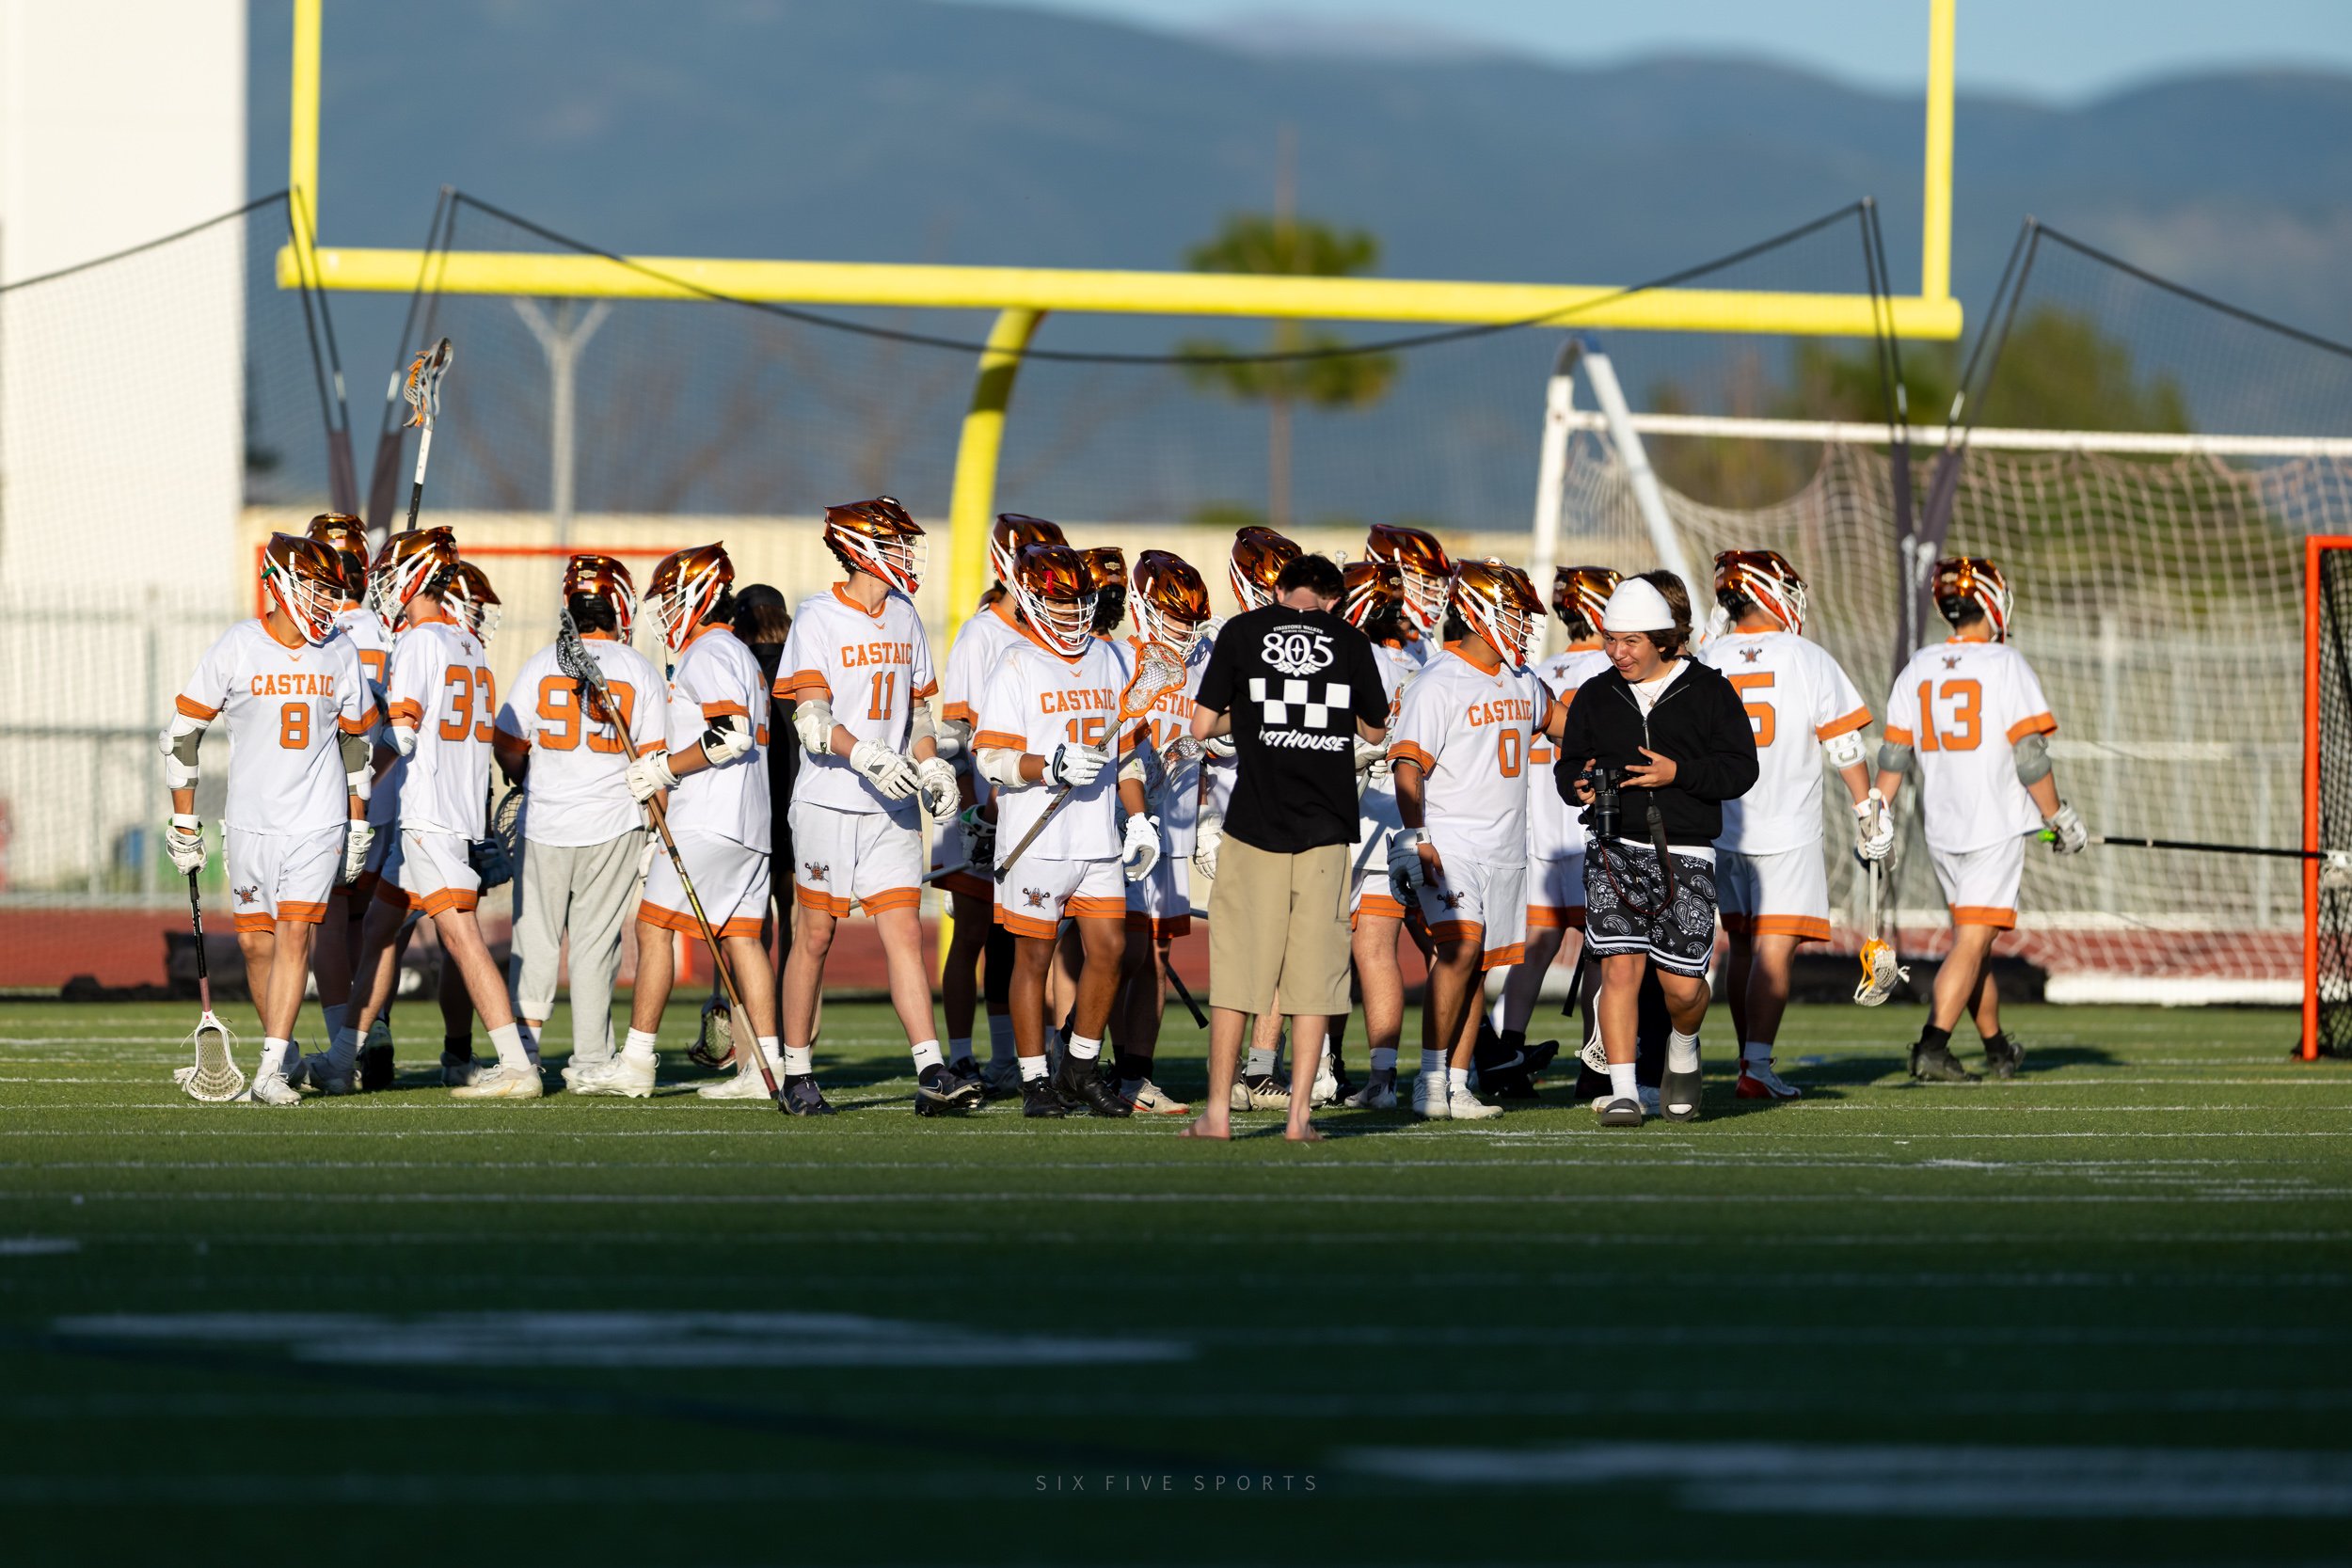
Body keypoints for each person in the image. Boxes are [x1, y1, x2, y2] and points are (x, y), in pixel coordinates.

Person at [775, 499, 974, 1117]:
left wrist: (930, 762)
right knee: (816, 935)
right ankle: (796, 1073)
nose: (907, 555)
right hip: (831, 801)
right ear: (861, 548)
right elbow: (811, 717)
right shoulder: (818, 614)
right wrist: (864, 754)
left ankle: (932, 1071)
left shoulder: (905, 614)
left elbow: (918, 712)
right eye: (895, 543)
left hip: (892, 805)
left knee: (905, 933)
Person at [1184, 552, 1390, 1142]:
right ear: (1334, 599)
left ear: (1279, 591)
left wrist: (1251, 716)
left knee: (1237, 974)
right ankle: (1299, 1117)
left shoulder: (1241, 631)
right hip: (1326, 828)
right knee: (1314, 978)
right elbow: (1375, 730)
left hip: (1254, 824)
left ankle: (1218, 1113)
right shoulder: (1351, 641)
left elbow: (1201, 727)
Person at [326, 528, 539, 1099]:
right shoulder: (467, 642)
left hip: (429, 813)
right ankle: (341, 1059)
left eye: (391, 572)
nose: (383, 583)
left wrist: (354, 781)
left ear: (412, 576)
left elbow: (402, 733)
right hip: (453, 808)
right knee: (379, 930)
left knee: (462, 938)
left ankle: (516, 1065)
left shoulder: (421, 641)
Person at [161, 533, 371, 1105]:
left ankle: (270, 1069)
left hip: (317, 820)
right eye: (315, 588)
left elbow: (355, 744)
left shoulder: (341, 650)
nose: (326, 602)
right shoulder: (239, 644)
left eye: (330, 591)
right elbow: (182, 734)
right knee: (257, 946)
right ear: (279, 585)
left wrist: (358, 821)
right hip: (249, 821)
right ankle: (289, 1054)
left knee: (296, 935)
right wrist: (184, 823)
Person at [1557, 571, 1759, 1128]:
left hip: (1686, 851)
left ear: (1665, 641)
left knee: (1684, 989)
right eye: (1610, 639)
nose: (1617, 652)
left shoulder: (1710, 689)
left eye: (1631, 641)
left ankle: (1683, 1045)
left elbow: (1741, 769)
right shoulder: (1595, 693)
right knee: (1619, 973)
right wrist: (1577, 783)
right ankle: (1624, 1091)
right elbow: (1568, 765)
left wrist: (1678, 773)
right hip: (1612, 848)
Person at [1876, 555, 2085, 1082]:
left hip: (1942, 828)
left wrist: (1875, 814)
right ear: (1991, 603)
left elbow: (1894, 756)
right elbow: (2030, 758)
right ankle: (1932, 1046)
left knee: (1975, 945)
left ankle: (1996, 1049)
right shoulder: (2004, 663)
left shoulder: (1920, 664)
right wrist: (2058, 814)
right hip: (1993, 825)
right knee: (1972, 942)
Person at [973, 541, 1159, 1119]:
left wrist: (1138, 818)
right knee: (1034, 958)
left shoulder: (1109, 657)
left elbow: (1127, 753)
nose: (1072, 611)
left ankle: (1079, 1066)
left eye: (1079, 599)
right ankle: (1035, 1080)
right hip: (1038, 837)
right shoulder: (1016, 661)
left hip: (1097, 836)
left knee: (1111, 949)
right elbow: (991, 758)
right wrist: (1047, 766)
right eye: (1059, 600)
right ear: (1031, 597)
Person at [1697, 550, 1889, 1100]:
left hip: (1721, 825)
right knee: (1774, 949)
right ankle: (1756, 1067)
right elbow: (1844, 744)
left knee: (1740, 945)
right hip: (1785, 828)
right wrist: (1867, 812)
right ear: (1766, 591)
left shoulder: (1706, 657)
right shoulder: (1805, 656)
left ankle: (1747, 1060)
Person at [611, 544, 794, 1105]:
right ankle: (767, 1068)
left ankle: (636, 1060)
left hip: (711, 817)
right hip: (749, 821)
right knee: (744, 940)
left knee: (653, 929)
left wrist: (663, 768)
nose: (665, 609)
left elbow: (728, 734)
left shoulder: (709, 651)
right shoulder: (734, 651)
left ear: (697, 594)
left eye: (670, 597)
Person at [1386, 559, 1560, 1122]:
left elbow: (1566, 722)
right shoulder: (1438, 680)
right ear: (1481, 611)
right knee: (1459, 950)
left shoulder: (1522, 679)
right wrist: (1416, 835)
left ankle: (1458, 1084)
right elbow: (1408, 767)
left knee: (1479, 966)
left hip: (1505, 848)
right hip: (1451, 843)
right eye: (1514, 612)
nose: (1523, 625)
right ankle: (1430, 1078)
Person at [495, 554, 665, 1094]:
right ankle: (591, 1060)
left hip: (546, 820)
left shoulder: (541, 662)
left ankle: (523, 1055)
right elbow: (656, 763)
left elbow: (508, 741)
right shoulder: (639, 668)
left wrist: (526, 776)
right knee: (596, 944)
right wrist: (656, 828)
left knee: (536, 940)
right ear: (619, 607)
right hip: (615, 822)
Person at [934, 513, 1068, 1098]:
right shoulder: (981, 634)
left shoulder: (1054, 631)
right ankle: (964, 1056)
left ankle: (1016, 1056)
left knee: (1025, 936)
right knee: (973, 934)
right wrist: (973, 813)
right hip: (986, 806)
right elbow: (957, 734)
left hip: (1036, 808)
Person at [1490, 565, 1618, 1089]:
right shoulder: (1613, 671)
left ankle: (1504, 1052)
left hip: (1540, 829)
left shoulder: (1536, 670)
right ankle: (1595, 1063)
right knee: (1602, 949)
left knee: (1535, 946)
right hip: (1591, 825)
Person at [1197, 525, 1306, 1110]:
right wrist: (1201, 820)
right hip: (1235, 815)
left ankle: (1260, 1069)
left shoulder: (1306, 642)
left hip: (1291, 812)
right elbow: (1192, 739)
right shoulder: (1218, 642)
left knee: (1288, 950)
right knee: (1245, 954)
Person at [1112, 548, 1212, 1115]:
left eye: (1191, 618)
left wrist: (1206, 815)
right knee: (1116, 952)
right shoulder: (1119, 659)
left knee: (1154, 953)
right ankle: (1073, 1053)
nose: (1184, 628)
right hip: (1123, 829)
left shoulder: (1203, 664)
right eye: (1175, 615)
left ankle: (1133, 1075)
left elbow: (1206, 748)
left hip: (1172, 829)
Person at [1334, 561, 1423, 1111]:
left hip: (1342, 819)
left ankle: (1320, 1067)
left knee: (1319, 951)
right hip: (1396, 818)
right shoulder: (1416, 663)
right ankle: (1383, 1079)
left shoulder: (1345, 657)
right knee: (1377, 952)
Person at [301, 513, 388, 1056]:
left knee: (327, 925)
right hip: (384, 795)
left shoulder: (316, 633)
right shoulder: (388, 630)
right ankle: (375, 1028)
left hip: (330, 794)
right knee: (369, 925)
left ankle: (344, 1045)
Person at [1362, 523, 1455, 665]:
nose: (1435, 589)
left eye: (1436, 580)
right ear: (1392, 579)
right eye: (1426, 581)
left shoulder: (1424, 640)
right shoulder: (1363, 645)